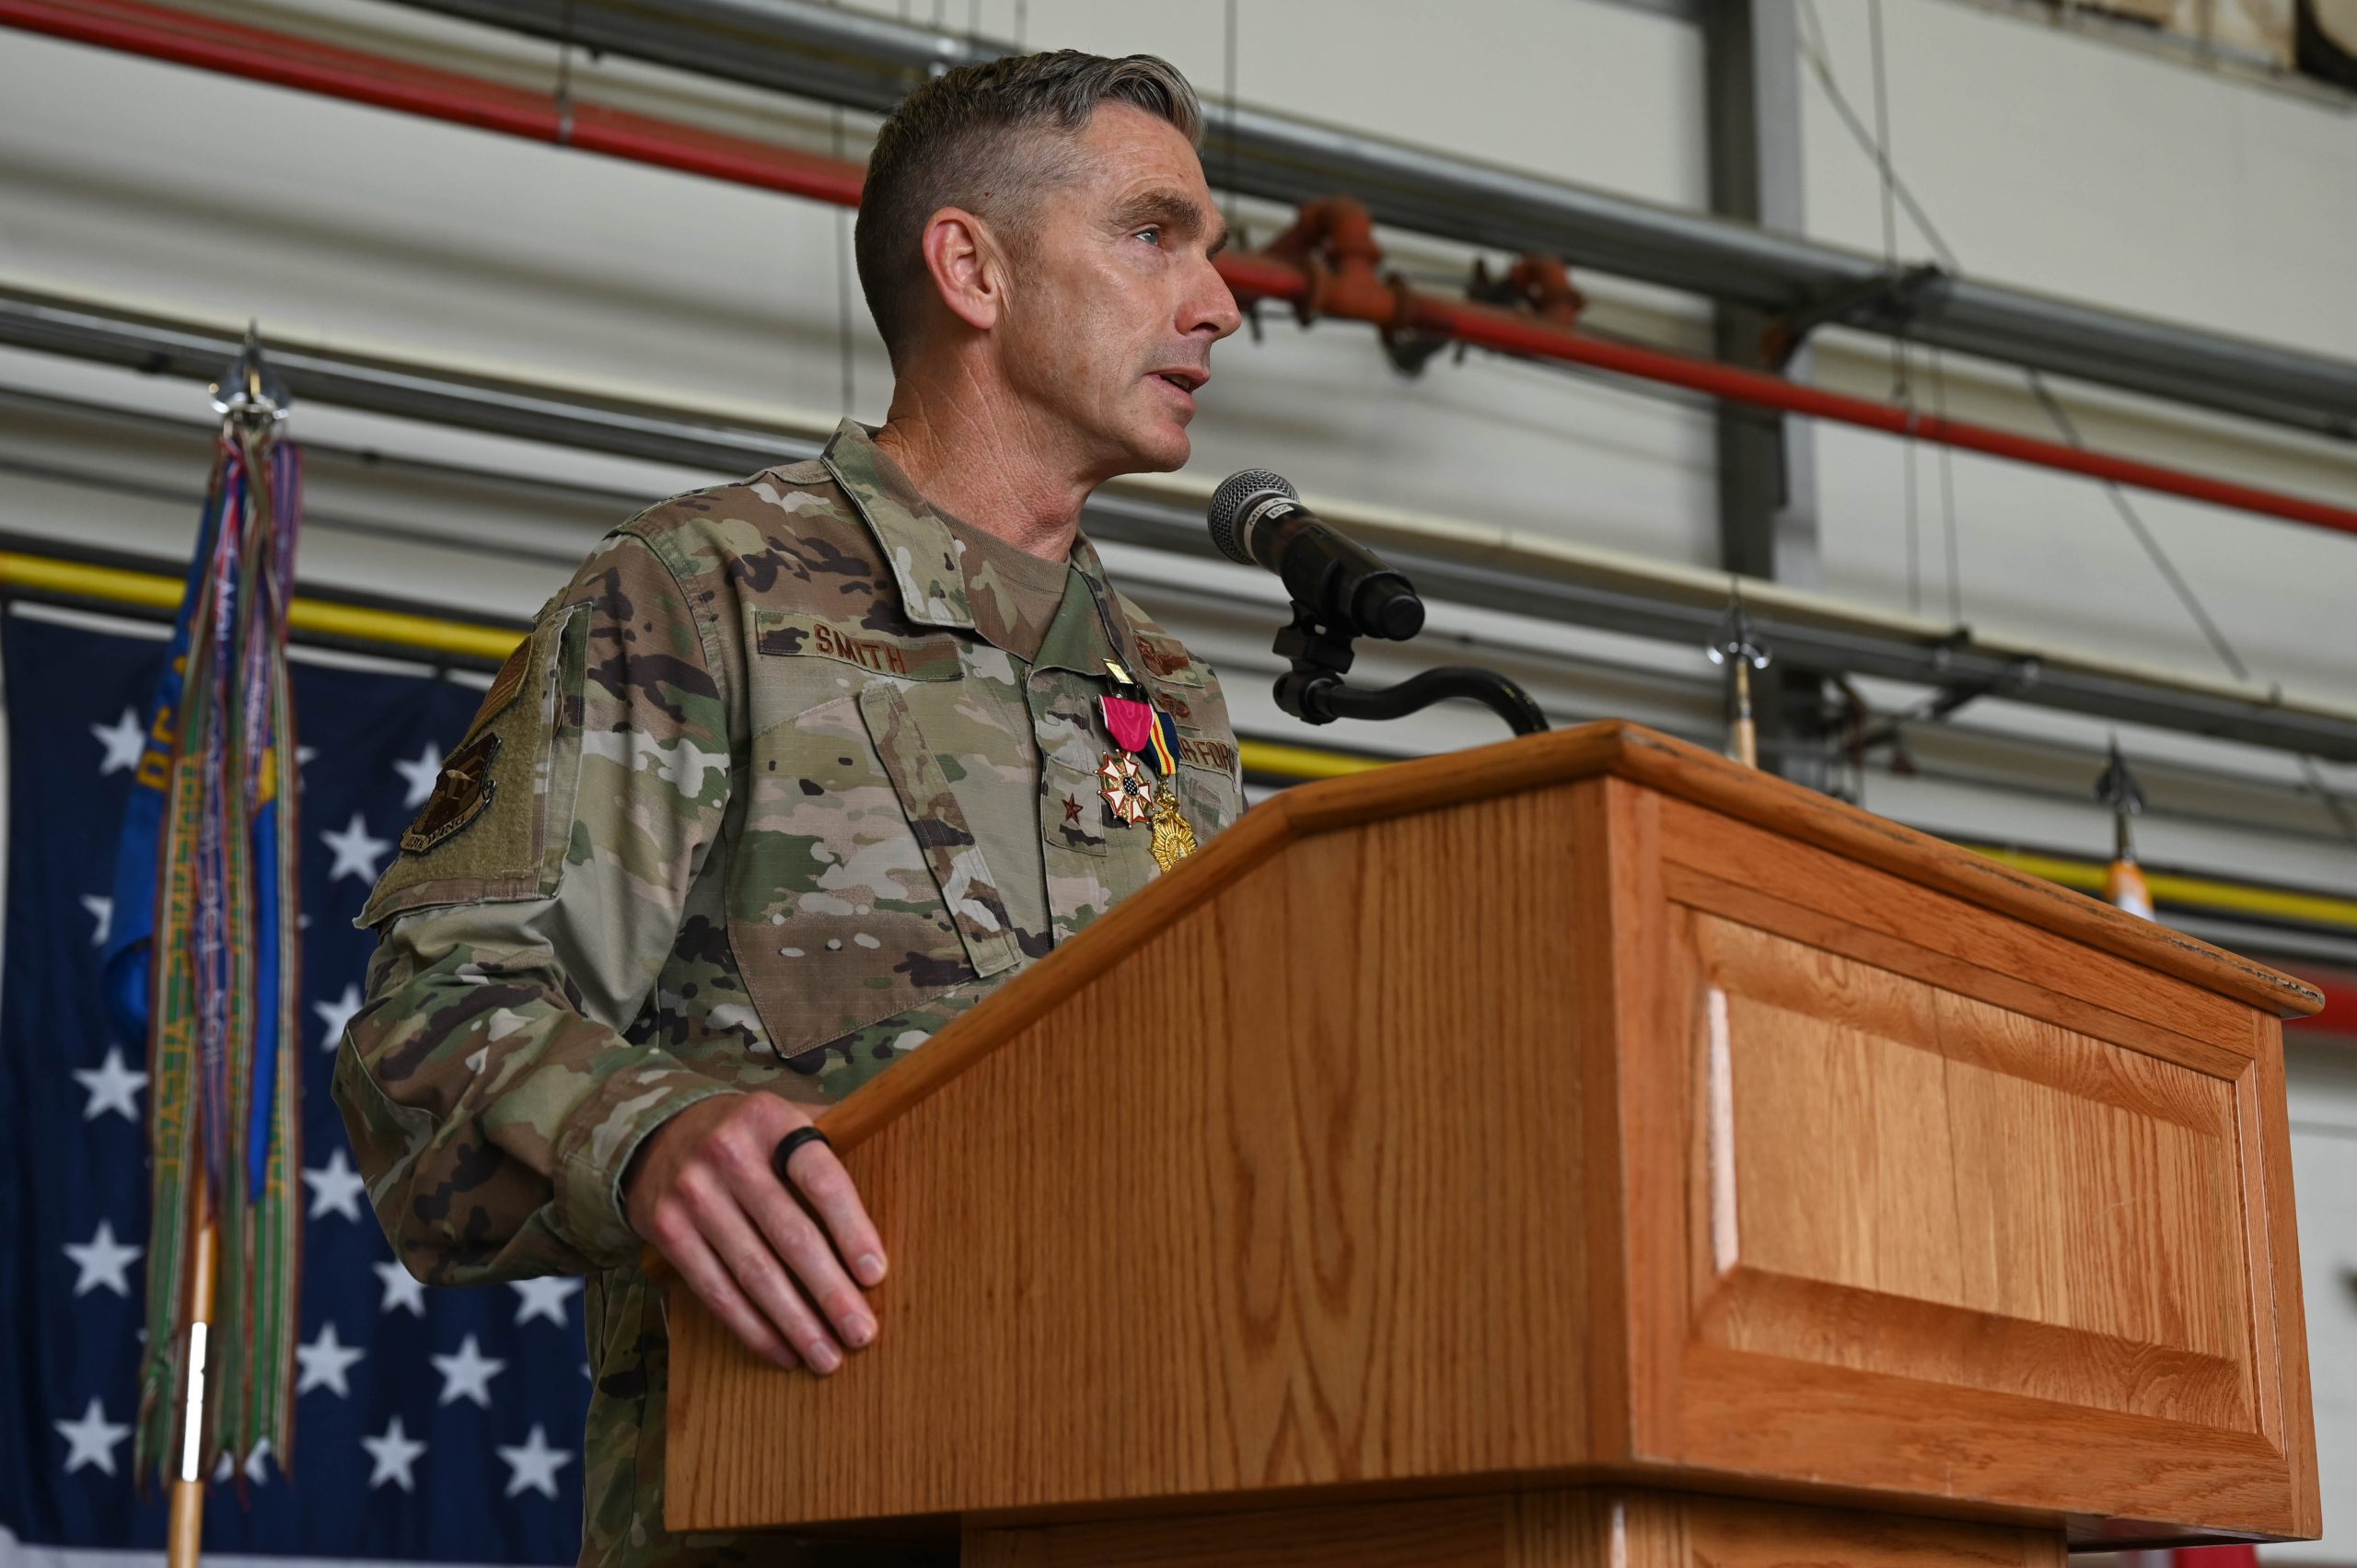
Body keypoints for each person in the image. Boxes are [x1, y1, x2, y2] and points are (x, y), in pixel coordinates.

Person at [332, 49, 1247, 1566]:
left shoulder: (1169, 697)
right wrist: (652, 1135)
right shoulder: (700, 596)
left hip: (1137, 1494)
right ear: (973, 267)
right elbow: (426, 1038)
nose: (1219, 303)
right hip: (791, 1496)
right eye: (1158, 234)